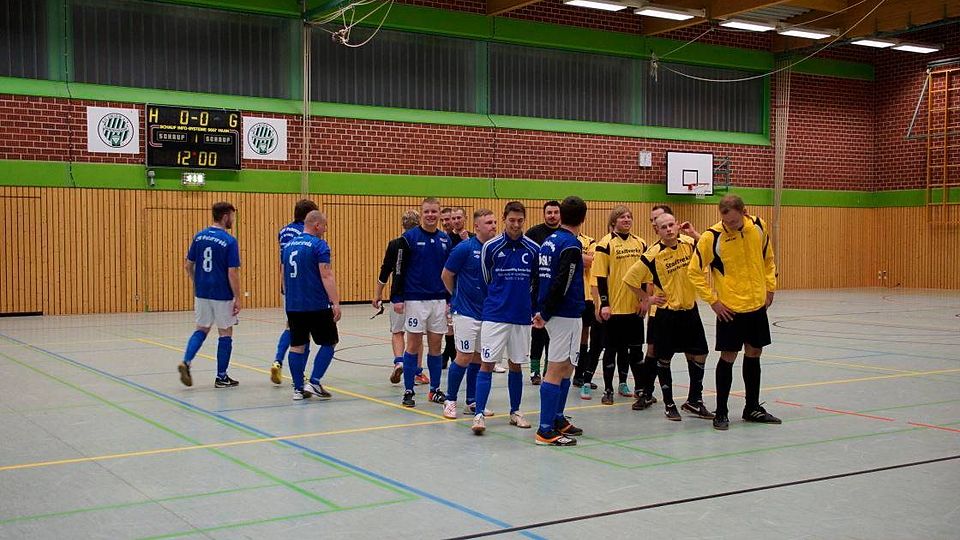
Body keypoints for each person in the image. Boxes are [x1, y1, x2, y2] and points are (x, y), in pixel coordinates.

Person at [688, 194, 781, 430]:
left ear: (744, 212)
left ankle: (752, 408)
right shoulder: (712, 237)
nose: (729, 225)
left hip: (757, 305)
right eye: (725, 221)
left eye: (733, 221)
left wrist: (770, 288)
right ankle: (721, 412)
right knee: (728, 357)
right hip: (730, 310)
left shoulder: (758, 226)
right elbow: (694, 271)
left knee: (754, 353)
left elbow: (768, 259)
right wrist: (713, 301)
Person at [624, 212, 714, 421]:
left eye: (671, 225)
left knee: (700, 354)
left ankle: (694, 400)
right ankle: (669, 403)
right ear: (657, 230)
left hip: (690, 310)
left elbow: (711, 249)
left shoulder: (689, 243)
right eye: (663, 227)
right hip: (667, 314)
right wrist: (647, 298)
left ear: (677, 225)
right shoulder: (653, 254)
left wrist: (694, 233)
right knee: (664, 358)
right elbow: (629, 279)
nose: (669, 230)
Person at [471, 201, 540, 435]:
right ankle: (479, 414)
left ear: (524, 220)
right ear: (504, 219)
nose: (516, 224)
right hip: (495, 315)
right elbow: (485, 280)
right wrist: (497, 300)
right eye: (512, 220)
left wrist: (531, 308)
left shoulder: (533, 249)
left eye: (520, 220)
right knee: (487, 363)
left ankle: (515, 411)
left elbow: (535, 282)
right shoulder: (490, 247)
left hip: (521, 316)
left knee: (516, 364)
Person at [533, 196, 588, 446]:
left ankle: (557, 418)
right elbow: (562, 282)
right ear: (583, 218)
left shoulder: (549, 241)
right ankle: (545, 430)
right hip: (564, 313)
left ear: (562, 215)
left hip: (556, 312)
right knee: (556, 369)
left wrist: (539, 308)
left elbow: (539, 277)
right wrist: (545, 313)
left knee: (567, 367)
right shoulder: (571, 245)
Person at [393, 197, 452, 408]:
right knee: (413, 345)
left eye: (434, 211)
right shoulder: (408, 238)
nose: (430, 215)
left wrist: (450, 298)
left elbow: (450, 272)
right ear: (421, 213)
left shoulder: (445, 240)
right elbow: (398, 269)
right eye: (427, 211)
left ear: (439, 214)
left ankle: (434, 389)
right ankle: (409, 390)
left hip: (438, 300)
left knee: (436, 345)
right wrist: (397, 297)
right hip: (415, 299)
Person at [441, 208, 498, 419]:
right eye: (488, 223)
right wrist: (456, 296)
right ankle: (450, 400)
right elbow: (446, 275)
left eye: (494, 222)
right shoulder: (464, 248)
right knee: (463, 356)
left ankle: (472, 401)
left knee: (479, 358)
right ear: (477, 226)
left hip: (487, 313)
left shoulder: (496, 249)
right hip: (465, 312)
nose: (493, 226)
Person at [178, 202, 241, 388]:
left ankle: (186, 361)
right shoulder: (229, 241)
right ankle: (221, 377)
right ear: (225, 217)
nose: (233, 220)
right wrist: (238, 297)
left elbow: (188, 265)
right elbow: (232, 272)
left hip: (202, 292)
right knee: (225, 332)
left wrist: (197, 282)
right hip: (222, 293)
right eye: (232, 216)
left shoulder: (199, 237)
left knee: (201, 329)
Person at [282, 210, 341, 400]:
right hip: (316, 304)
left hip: (294, 304)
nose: (325, 229)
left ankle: (298, 389)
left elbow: (283, 276)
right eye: (324, 225)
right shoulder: (319, 245)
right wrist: (335, 302)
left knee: (297, 345)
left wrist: (290, 297)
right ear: (317, 225)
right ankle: (314, 382)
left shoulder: (288, 246)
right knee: (330, 342)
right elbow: (326, 275)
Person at [592, 205, 647, 405]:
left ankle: (638, 388)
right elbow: (600, 276)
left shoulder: (640, 243)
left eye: (629, 217)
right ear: (613, 221)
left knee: (635, 351)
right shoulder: (605, 244)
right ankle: (608, 390)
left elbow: (645, 275)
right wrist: (604, 304)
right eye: (622, 217)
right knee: (611, 350)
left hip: (634, 308)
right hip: (614, 309)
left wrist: (644, 299)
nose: (626, 220)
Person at [271, 199, 319, 385]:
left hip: (288, 284)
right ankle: (299, 375)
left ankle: (277, 360)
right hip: (305, 287)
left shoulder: (284, 231)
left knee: (290, 326)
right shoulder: (306, 234)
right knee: (303, 335)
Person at [372, 210, 422, 385]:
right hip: (418, 295)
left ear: (403, 225)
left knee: (397, 331)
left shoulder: (394, 244)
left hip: (398, 295)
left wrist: (377, 294)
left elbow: (385, 270)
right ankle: (417, 371)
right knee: (416, 334)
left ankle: (399, 362)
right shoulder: (422, 244)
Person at [524, 200, 561, 385]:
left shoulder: (564, 235)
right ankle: (534, 370)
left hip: (557, 291)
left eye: (555, 212)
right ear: (544, 214)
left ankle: (549, 370)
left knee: (553, 334)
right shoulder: (533, 233)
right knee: (537, 333)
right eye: (549, 212)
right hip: (537, 291)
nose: (552, 216)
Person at [571, 229, 603, 399]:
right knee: (564, 336)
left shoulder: (589, 241)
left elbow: (590, 262)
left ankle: (579, 375)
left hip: (586, 296)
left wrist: (570, 257)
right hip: (568, 296)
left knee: (584, 336)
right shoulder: (561, 238)